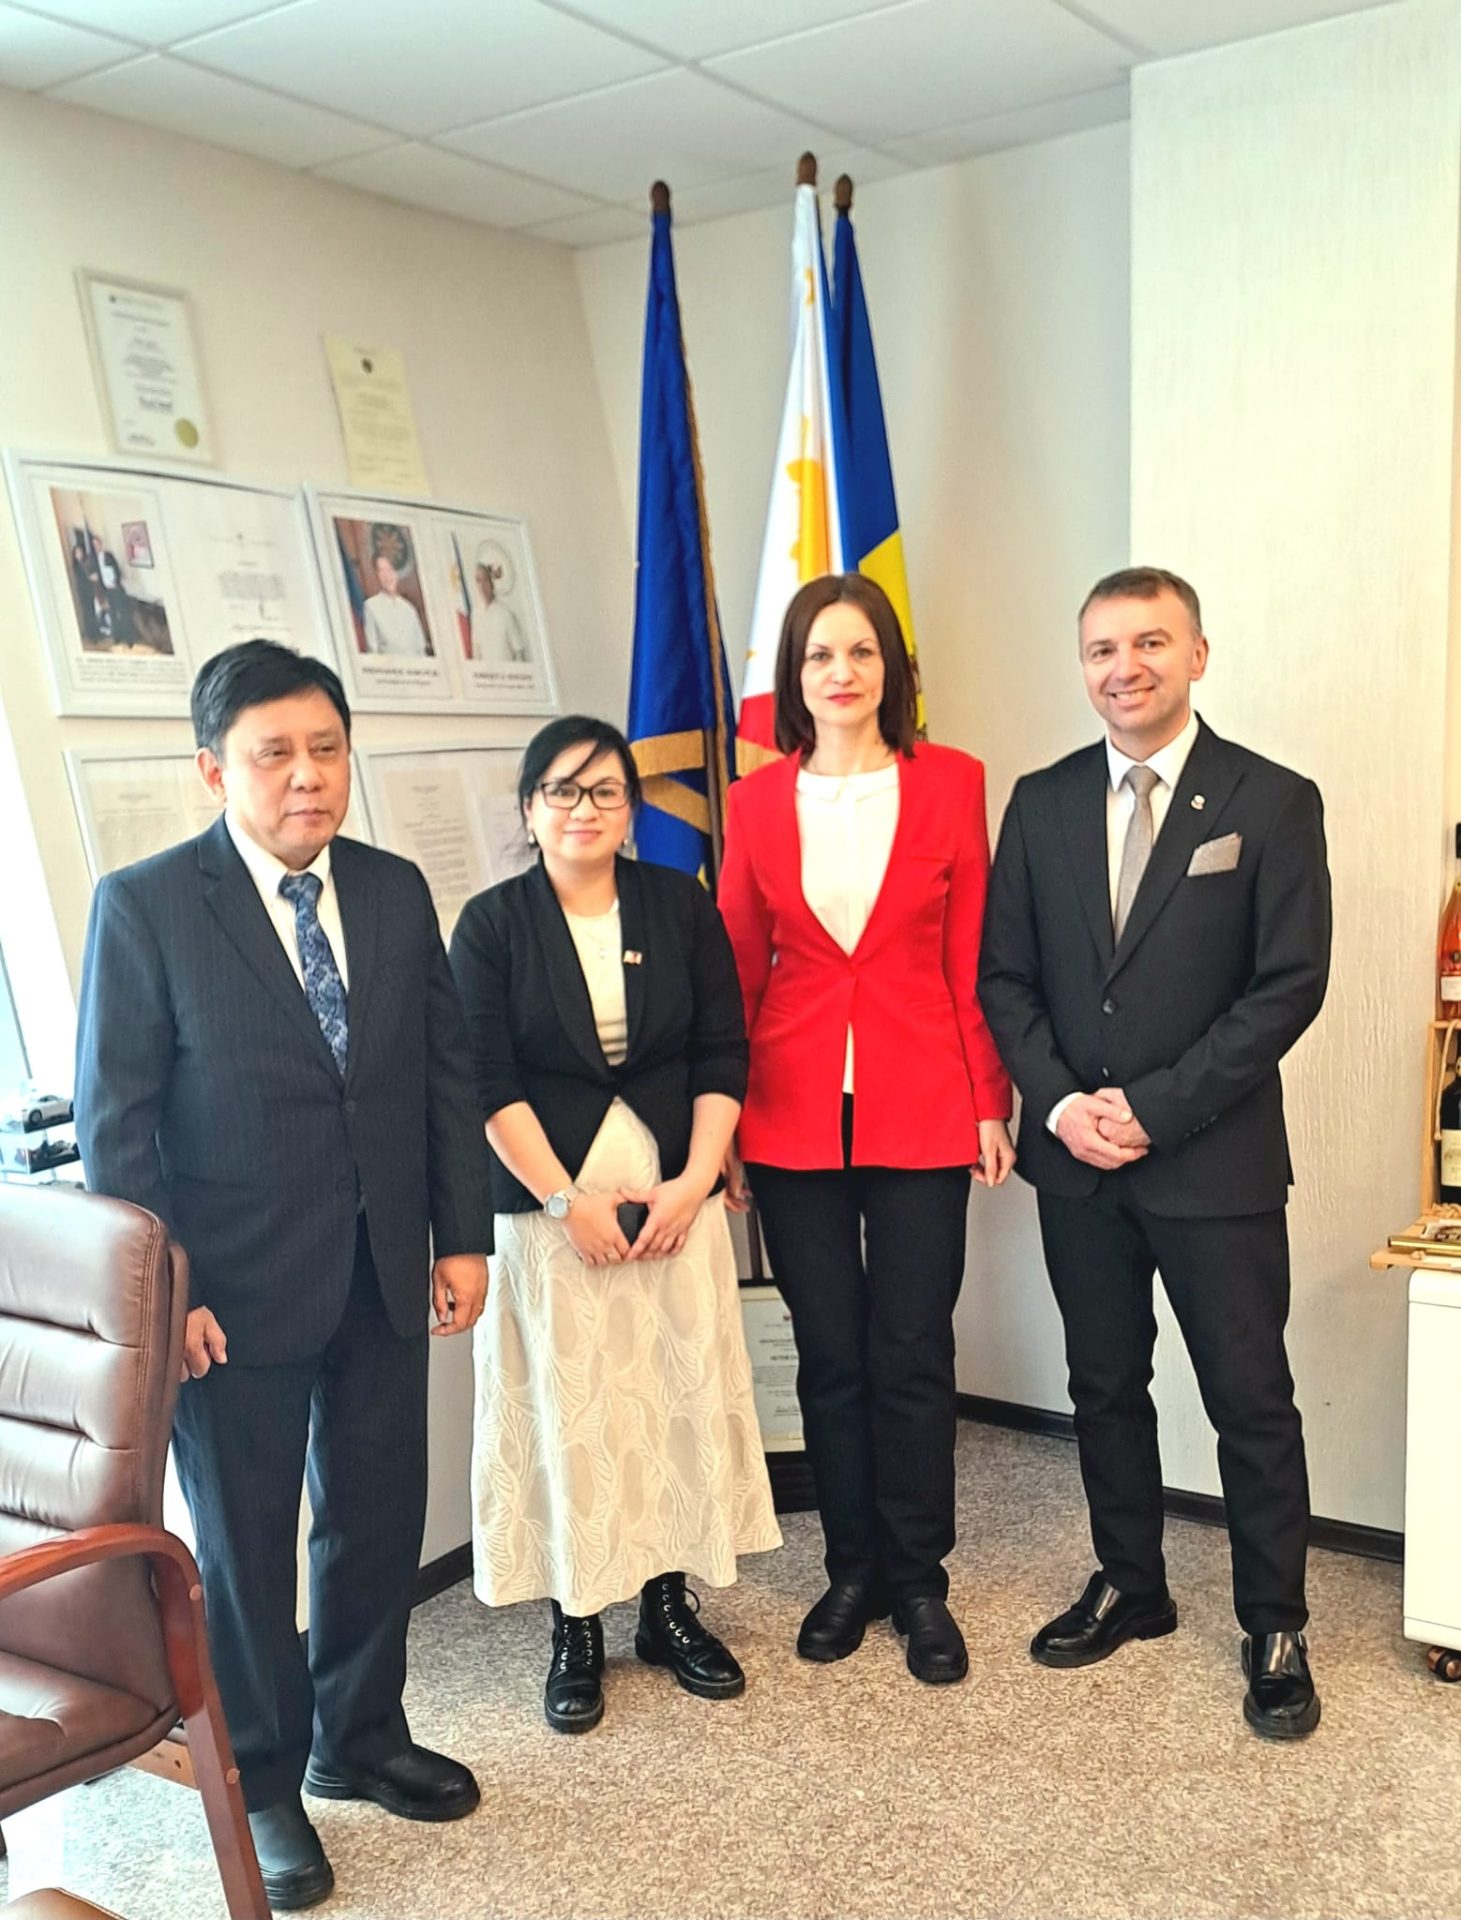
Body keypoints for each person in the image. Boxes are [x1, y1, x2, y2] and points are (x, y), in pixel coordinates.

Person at [74, 639, 493, 1910]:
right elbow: (117, 1127)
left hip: (381, 1265)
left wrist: (461, 1235)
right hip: (228, 1296)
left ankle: (359, 1737)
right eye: (274, 754)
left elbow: (442, 1073)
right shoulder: (148, 904)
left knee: (378, 1513)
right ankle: (260, 1780)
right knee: (247, 1547)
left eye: (327, 748)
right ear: (215, 770)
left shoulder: (394, 889)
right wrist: (168, 1293)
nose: (307, 775)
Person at [978, 565, 1331, 1741]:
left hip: (1214, 1164)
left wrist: (1156, 1107)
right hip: (1079, 1163)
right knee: (1104, 1386)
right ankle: (1133, 1583)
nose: (1124, 668)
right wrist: (1061, 1106)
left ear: (1197, 654)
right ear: (1082, 665)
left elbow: (1287, 987)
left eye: (1150, 643)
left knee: (1250, 1398)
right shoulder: (1040, 803)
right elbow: (1005, 979)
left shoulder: (1272, 801)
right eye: (1101, 649)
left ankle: (1274, 1625)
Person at [448, 716, 780, 1736]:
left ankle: (669, 1610)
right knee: (574, 1410)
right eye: (561, 790)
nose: (582, 809)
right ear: (528, 809)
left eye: (604, 791)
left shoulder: (679, 905)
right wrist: (564, 1201)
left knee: (672, 1397)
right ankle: (577, 1624)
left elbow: (722, 1051)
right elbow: (486, 1081)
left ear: (632, 809)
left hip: (674, 1203)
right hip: (552, 1215)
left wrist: (694, 1180)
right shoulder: (492, 924)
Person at [718, 573, 1014, 1688]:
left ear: (891, 668)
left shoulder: (952, 783)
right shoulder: (755, 803)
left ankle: (920, 1579)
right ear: (793, 678)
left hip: (926, 1100)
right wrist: (723, 1122)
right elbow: (737, 969)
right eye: (818, 656)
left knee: (912, 1353)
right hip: (789, 1111)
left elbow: (971, 954)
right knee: (830, 1356)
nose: (839, 673)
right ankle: (852, 1571)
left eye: (860, 652)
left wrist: (989, 1100)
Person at [362, 550, 430, 656]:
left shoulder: (409, 609)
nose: (387, 576)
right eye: (381, 571)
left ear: (396, 573)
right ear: (376, 575)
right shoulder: (370, 606)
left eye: (389, 569)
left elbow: (420, 650)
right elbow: (372, 650)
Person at [470, 554, 527, 664]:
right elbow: (476, 654)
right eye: (478, 581)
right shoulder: (475, 615)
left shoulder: (505, 614)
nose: (482, 586)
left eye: (485, 580)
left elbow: (519, 651)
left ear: (491, 582)